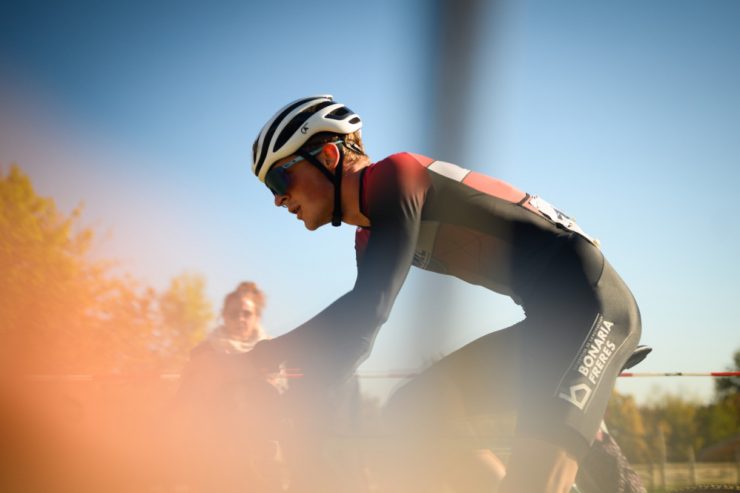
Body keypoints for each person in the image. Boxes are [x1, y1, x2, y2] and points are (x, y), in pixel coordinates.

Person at [245, 95, 642, 493]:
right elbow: (352, 341)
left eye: (281, 179)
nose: (278, 199)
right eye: (269, 189)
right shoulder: (368, 237)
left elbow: (369, 311)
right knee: (413, 411)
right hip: (548, 327)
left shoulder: (395, 176)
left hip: (590, 307)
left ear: (329, 155)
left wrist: (259, 359)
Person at [171, 281, 284, 493]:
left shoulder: (273, 353)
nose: (240, 319)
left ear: (257, 317)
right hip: (214, 457)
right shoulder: (202, 353)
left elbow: (284, 404)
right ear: (223, 316)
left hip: (262, 458)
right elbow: (184, 404)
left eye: (246, 313)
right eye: (233, 314)